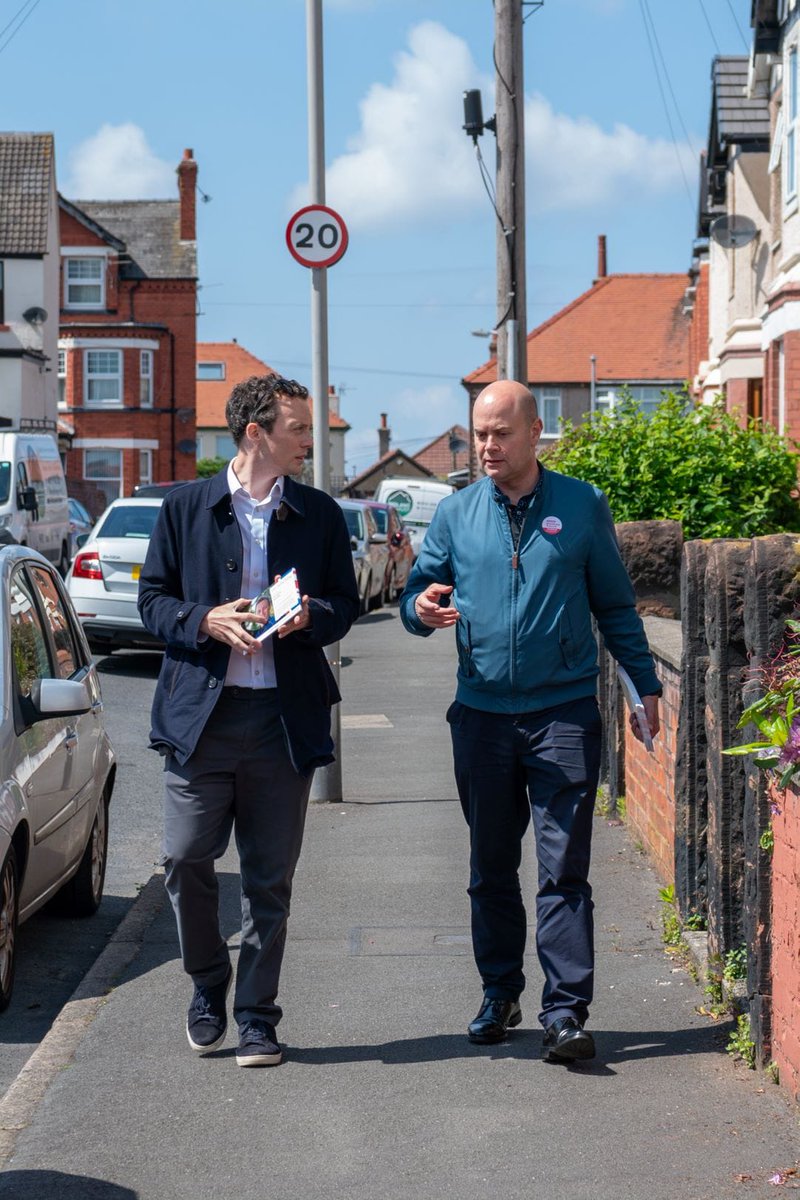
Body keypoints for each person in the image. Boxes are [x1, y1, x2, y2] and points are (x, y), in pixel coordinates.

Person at [400, 380, 661, 1064]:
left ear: (534, 433)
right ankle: (499, 992)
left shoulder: (580, 504)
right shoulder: (456, 514)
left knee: (562, 868)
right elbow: (416, 594)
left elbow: (615, 606)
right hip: (482, 715)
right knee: (490, 865)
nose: (486, 445)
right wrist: (419, 611)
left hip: (563, 713)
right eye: (479, 433)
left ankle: (566, 1012)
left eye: (500, 433)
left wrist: (645, 686)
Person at [138, 374, 359, 1068]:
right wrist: (200, 619)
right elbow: (151, 601)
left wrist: (303, 618)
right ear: (256, 432)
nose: (309, 441)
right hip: (201, 718)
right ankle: (208, 982)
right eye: (298, 429)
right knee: (183, 859)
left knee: (269, 880)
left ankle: (258, 1018)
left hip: (280, 721)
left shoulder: (319, 514)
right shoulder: (186, 507)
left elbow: (344, 606)